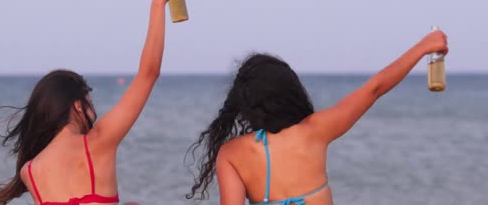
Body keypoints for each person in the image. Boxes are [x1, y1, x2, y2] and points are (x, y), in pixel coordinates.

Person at [0, 0, 186, 205]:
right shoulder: (98, 142)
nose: (93, 111)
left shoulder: (30, 171)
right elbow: (148, 74)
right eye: (90, 102)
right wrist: (158, 2)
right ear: (78, 106)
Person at [187, 31, 448, 205]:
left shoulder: (231, 154)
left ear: (245, 103)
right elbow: (375, 88)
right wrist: (424, 47)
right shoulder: (315, 130)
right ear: (290, 91)